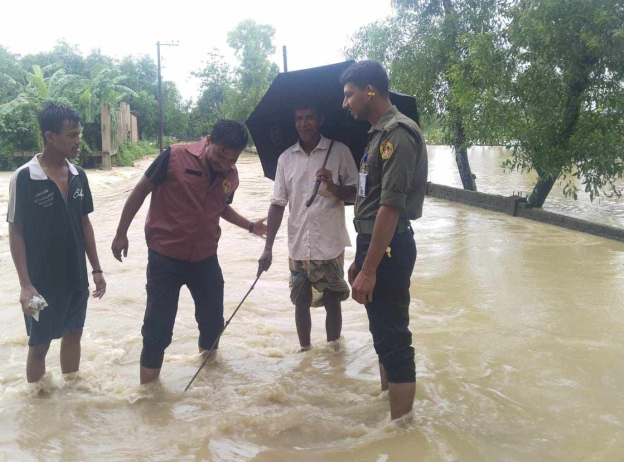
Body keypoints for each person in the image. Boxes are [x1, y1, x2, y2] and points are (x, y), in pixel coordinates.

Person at [111, 120, 267, 384]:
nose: (224, 164)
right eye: (220, 155)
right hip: (165, 258)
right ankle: (149, 397)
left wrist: (251, 226)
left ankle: (208, 384)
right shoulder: (174, 157)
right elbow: (140, 190)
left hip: (205, 259)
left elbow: (221, 207)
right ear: (208, 140)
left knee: (213, 325)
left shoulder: (231, 176)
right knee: (156, 331)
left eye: (232, 159)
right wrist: (121, 232)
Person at [341, 61, 428, 420]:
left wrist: (371, 267)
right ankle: (388, 405)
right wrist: (361, 260)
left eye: (349, 95)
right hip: (376, 244)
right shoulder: (377, 135)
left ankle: (402, 428)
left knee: (393, 336)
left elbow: (390, 208)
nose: (345, 103)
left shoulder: (398, 134)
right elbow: (371, 201)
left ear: (370, 91)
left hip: (389, 245)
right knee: (382, 333)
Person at [8, 102, 106, 383]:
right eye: (72, 135)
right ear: (50, 136)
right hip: (40, 283)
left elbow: (84, 223)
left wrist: (96, 270)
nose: (78, 141)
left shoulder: (79, 176)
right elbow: (16, 232)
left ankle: (70, 399)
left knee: (73, 335)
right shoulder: (25, 178)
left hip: (76, 278)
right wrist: (25, 285)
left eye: (79, 134)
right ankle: (38, 410)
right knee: (39, 345)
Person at [257, 102, 357, 351]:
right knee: (300, 300)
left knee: (333, 300)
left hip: (330, 242)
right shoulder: (285, 158)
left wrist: (333, 186)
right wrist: (267, 248)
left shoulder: (339, 152)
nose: (303, 124)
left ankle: (335, 351)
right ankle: (305, 354)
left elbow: (356, 195)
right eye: (299, 118)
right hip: (298, 242)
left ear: (320, 119)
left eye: (309, 117)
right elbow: (278, 204)